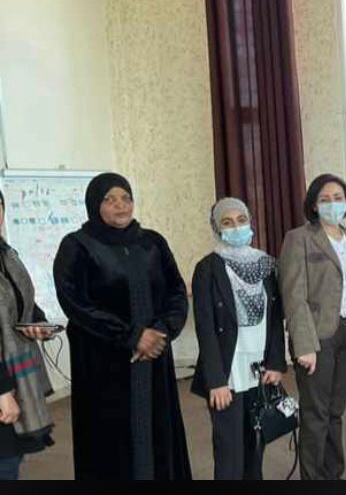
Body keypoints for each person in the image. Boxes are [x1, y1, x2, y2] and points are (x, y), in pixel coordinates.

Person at [52, 172, 191, 479]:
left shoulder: (152, 242)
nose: (121, 205)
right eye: (110, 199)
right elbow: (75, 302)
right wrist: (131, 336)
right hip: (104, 365)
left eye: (126, 198)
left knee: (157, 436)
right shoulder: (77, 246)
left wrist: (162, 332)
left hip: (154, 358)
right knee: (111, 445)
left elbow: (176, 291)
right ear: (94, 204)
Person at [190, 197, 287, 480]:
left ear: (250, 222)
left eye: (241, 220)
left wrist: (276, 363)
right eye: (227, 223)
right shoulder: (208, 268)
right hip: (227, 371)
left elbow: (275, 319)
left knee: (255, 444)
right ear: (217, 229)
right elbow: (205, 329)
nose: (236, 227)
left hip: (260, 368)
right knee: (229, 450)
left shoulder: (266, 264)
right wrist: (216, 381)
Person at [278, 173, 346, 480]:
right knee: (315, 414)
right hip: (317, 337)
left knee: (336, 412)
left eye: (338, 198)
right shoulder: (298, 238)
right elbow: (293, 295)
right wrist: (303, 345)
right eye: (325, 199)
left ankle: (333, 474)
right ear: (314, 205)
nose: (332, 203)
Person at [0, 189, 55, 480]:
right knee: (5, 460)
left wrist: (38, 322)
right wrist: (2, 392)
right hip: (3, 382)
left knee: (12, 457)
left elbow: (22, 301)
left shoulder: (6, 253)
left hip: (15, 374)